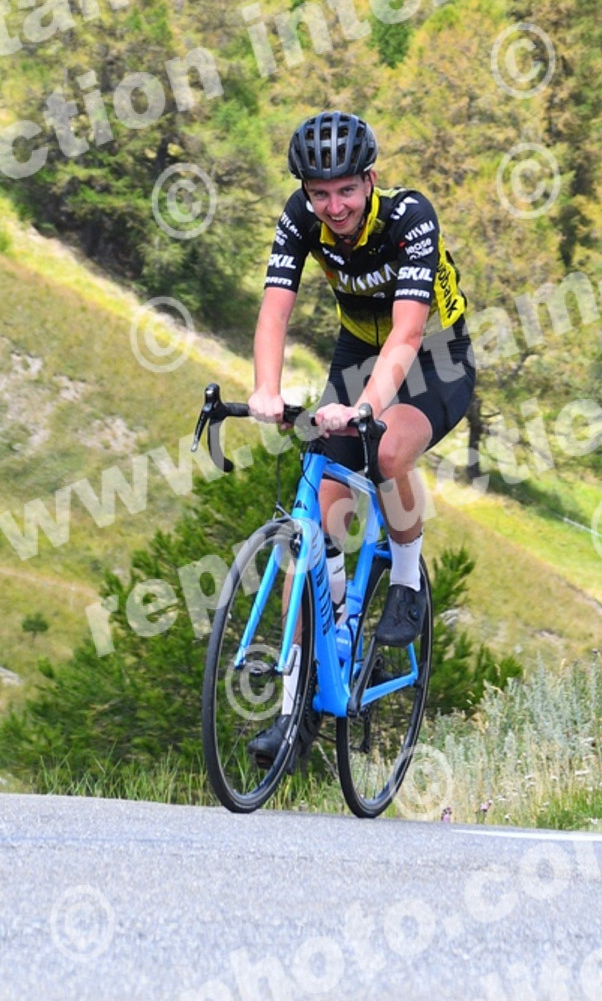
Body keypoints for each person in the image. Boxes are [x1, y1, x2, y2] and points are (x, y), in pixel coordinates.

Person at [247, 108, 475, 763]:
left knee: (388, 449)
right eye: (320, 193)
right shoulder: (300, 216)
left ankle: (405, 583)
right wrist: (265, 389)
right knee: (317, 520)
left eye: (346, 189)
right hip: (357, 351)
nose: (334, 205)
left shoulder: (410, 217)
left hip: (432, 353)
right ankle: (297, 703)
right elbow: (274, 312)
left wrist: (368, 406)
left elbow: (407, 332)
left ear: (370, 179)